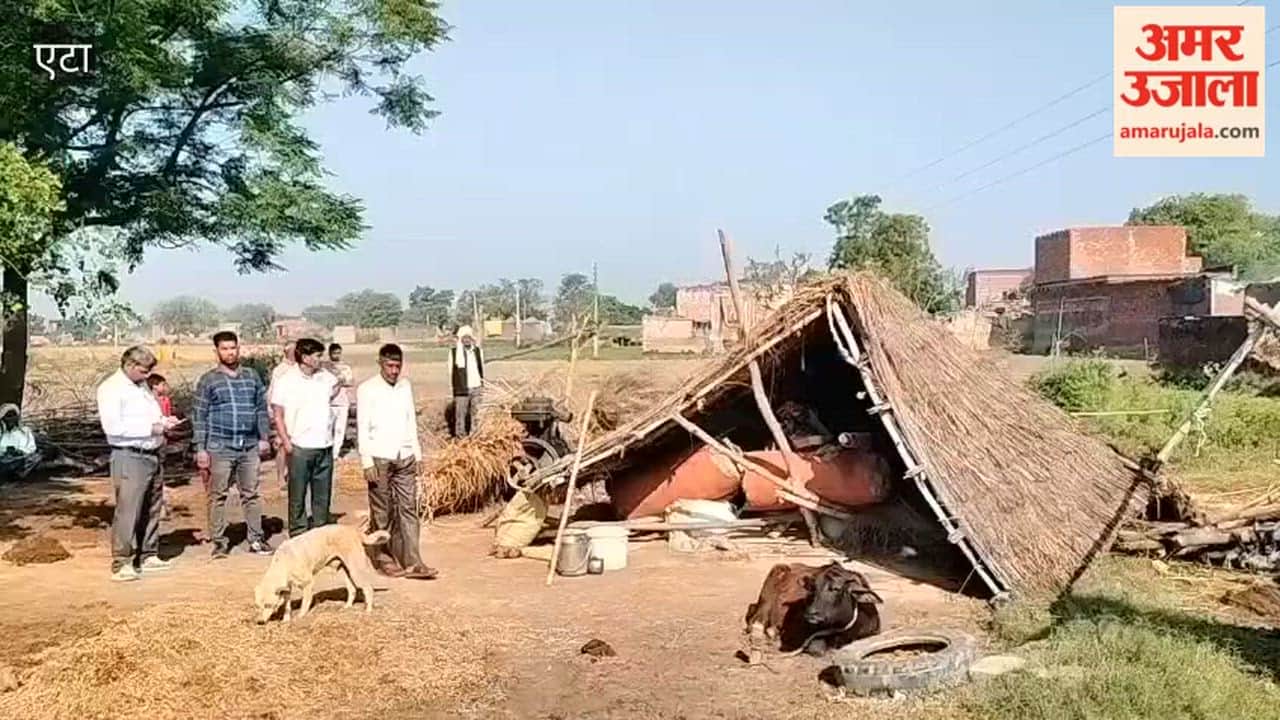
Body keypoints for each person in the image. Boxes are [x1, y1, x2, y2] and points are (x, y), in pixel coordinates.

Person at [97, 346, 183, 582]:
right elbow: (113, 427)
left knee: (152, 506)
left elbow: (148, 416)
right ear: (130, 365)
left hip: (152, 452)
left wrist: (164, 421)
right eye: (144, 371)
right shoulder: (111, 389)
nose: (148, 376)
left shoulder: (141, 387)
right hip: (129, 455)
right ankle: (122, 561)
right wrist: (151, 428)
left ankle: (148, 553)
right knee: (129, 509)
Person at [357, 344, 437, 579]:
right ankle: (384, 558)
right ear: (380, 363)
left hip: (405, 456)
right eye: (389, 366)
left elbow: (410, 420)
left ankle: (414, 561)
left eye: (397, 366)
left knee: (409, 509)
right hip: (379, 456)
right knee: (383, 511)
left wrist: (418, 454)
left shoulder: (405, 386)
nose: (394, 371)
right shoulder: (367, 389)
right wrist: (366, 461)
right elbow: (363, 426)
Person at [193, 331, 274, 559]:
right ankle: (219, 541)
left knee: (251, 493)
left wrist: (264, 437)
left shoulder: (251, 376)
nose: (230, 352)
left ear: (239, 348)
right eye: (225, 348)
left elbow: (260, 408)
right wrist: (201, 448)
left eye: (233, 347)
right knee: (217, 494)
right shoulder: (208, 380)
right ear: (216, 351)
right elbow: (199, 415)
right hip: (219, 445)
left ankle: (256, 539)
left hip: (248, 445)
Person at [271, 338, 340, 537]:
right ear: (305, 357)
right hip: (300, 446)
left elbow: (335, 389)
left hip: (324, 445)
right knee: (298, 495)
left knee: (322, 495)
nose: (321, 359)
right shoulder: (286, 380)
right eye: (318, 356)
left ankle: (320, 533)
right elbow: (278, 414)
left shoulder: (325, 377)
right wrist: (286, 442)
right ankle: (298, 534)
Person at [269, 340, 297, 487]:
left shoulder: (300, 368)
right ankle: (280, 478)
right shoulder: (280, 370)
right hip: (283, 413)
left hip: (297, 413)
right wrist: (274, 415)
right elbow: (273, 395)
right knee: (282, 446)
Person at [448, 325, 485, 437]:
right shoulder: (454, 353)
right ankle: (461, 438)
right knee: (461, 415)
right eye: (464, 338)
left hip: (477, 387)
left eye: (468, 337)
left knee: (476, 414)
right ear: (460, 339)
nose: (466, 340)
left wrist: (482, 385)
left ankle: (475, 436)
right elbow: (451, 372)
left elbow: (481, 368)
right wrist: (455, 388)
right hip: (462, 389)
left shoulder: (478, 352)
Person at [324, 343, 354, 461]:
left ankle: (335, 454)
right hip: (328, 402)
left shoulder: (345, 368)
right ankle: (327, 452)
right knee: (328, 428)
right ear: (330, 353)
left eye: (338, 353)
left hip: (342, 402)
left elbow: (350, 382)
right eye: (334, 353)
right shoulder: (325, 368)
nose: (336, 355)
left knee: (340, 429)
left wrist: (340, 382)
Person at [0, 403, 41, 481]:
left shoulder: (25, 431)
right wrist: (5, 450)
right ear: (3, 418)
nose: (11, 419)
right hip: (3, 460)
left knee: (35, 458)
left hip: (21, 458)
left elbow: (31, 447)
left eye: (13, 416)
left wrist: (20, 450)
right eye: (8, 416)